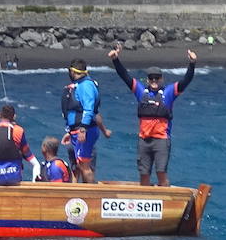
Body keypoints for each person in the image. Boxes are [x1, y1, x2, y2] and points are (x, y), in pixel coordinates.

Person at [109, 45, 199, 187]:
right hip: (144, 140)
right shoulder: (141, 91)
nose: (154, 81)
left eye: (157, 78)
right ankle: (145, 200)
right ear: (147, 80)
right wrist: (115, 60)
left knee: (161, 172)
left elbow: (185, 81)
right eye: (151, 78)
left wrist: (192, 64)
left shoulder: (169, 92)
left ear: (161, 79)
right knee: (144, 174)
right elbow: (125, 76)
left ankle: (166, 200)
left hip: (161, 140)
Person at [60, 59, 105, 183]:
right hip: (78, 130)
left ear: (73, 71)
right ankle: (85, 193)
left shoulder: (85, 86)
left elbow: (89, 109)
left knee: (84, 165)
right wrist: (70, 131)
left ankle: (91, 193)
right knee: (81, 163)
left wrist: (83, 129)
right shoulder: (81, 84)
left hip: (85, 130)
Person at [0, 104, 40, 186]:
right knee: (36, 164)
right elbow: (27, 153)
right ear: (14, 117)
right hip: (13, 177)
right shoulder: (19, 131)